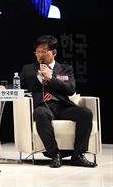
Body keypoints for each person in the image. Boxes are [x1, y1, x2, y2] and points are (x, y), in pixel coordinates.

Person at [19, 35, 96, 168]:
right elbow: (20, 87)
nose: (40, 55)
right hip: (43, 105)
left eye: (44, 51)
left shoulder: (65, 69)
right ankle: (55, 155)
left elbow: (70, 89)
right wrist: (6, 87)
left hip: (63, 106)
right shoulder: (28, 69)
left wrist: (51, 78)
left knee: (86, 113)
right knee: (40, 114)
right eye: (37, 52)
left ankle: (78, 155)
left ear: (53, 52)